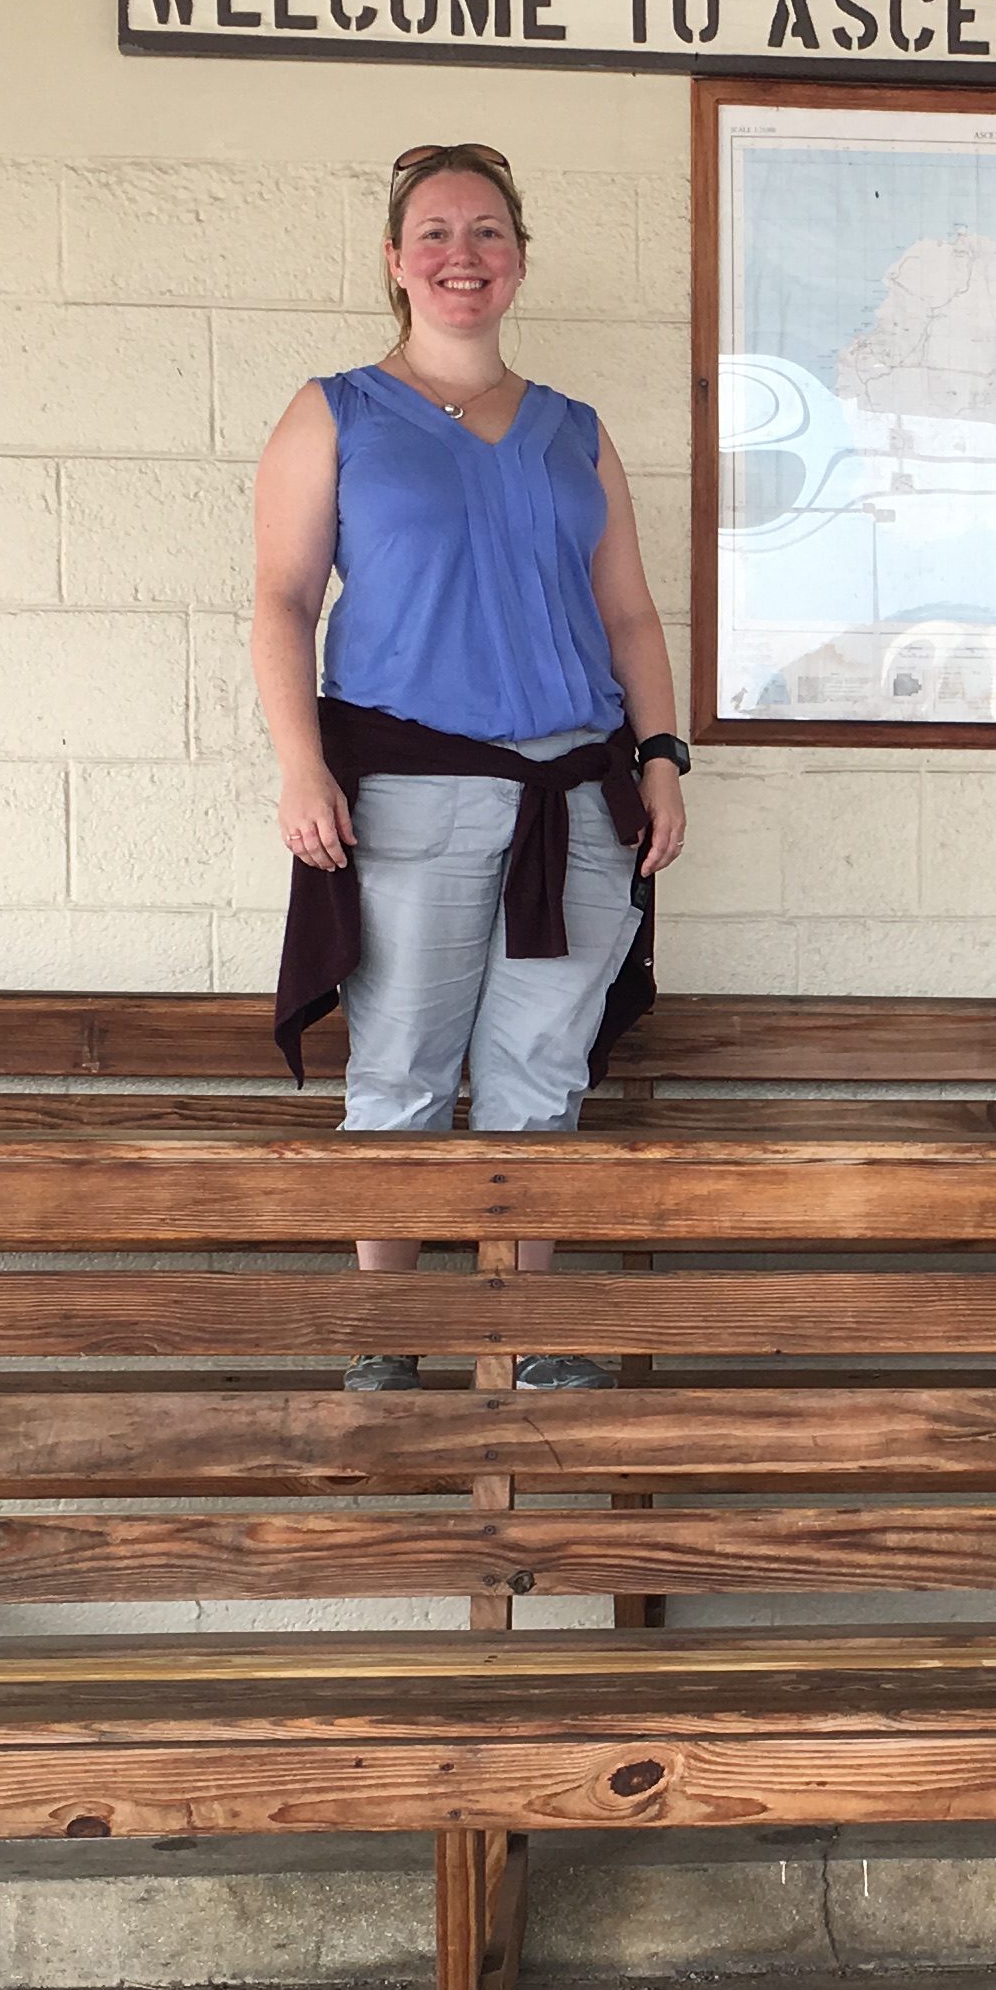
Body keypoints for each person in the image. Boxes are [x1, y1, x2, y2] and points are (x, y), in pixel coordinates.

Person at [253, 141, 690, 1393]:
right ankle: (384, 1340)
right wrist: (301, 767)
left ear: (518, 261)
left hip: (579, 794)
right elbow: (281, 601)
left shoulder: (574, 433)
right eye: (437, 233)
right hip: (411, 790)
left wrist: (661, 761)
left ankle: (521, 1335)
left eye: (488, 233)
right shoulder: (335, 412)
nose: (463, 255)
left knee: (540, 1068)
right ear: (396, 263)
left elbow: (632, 619)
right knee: (401, 1058)